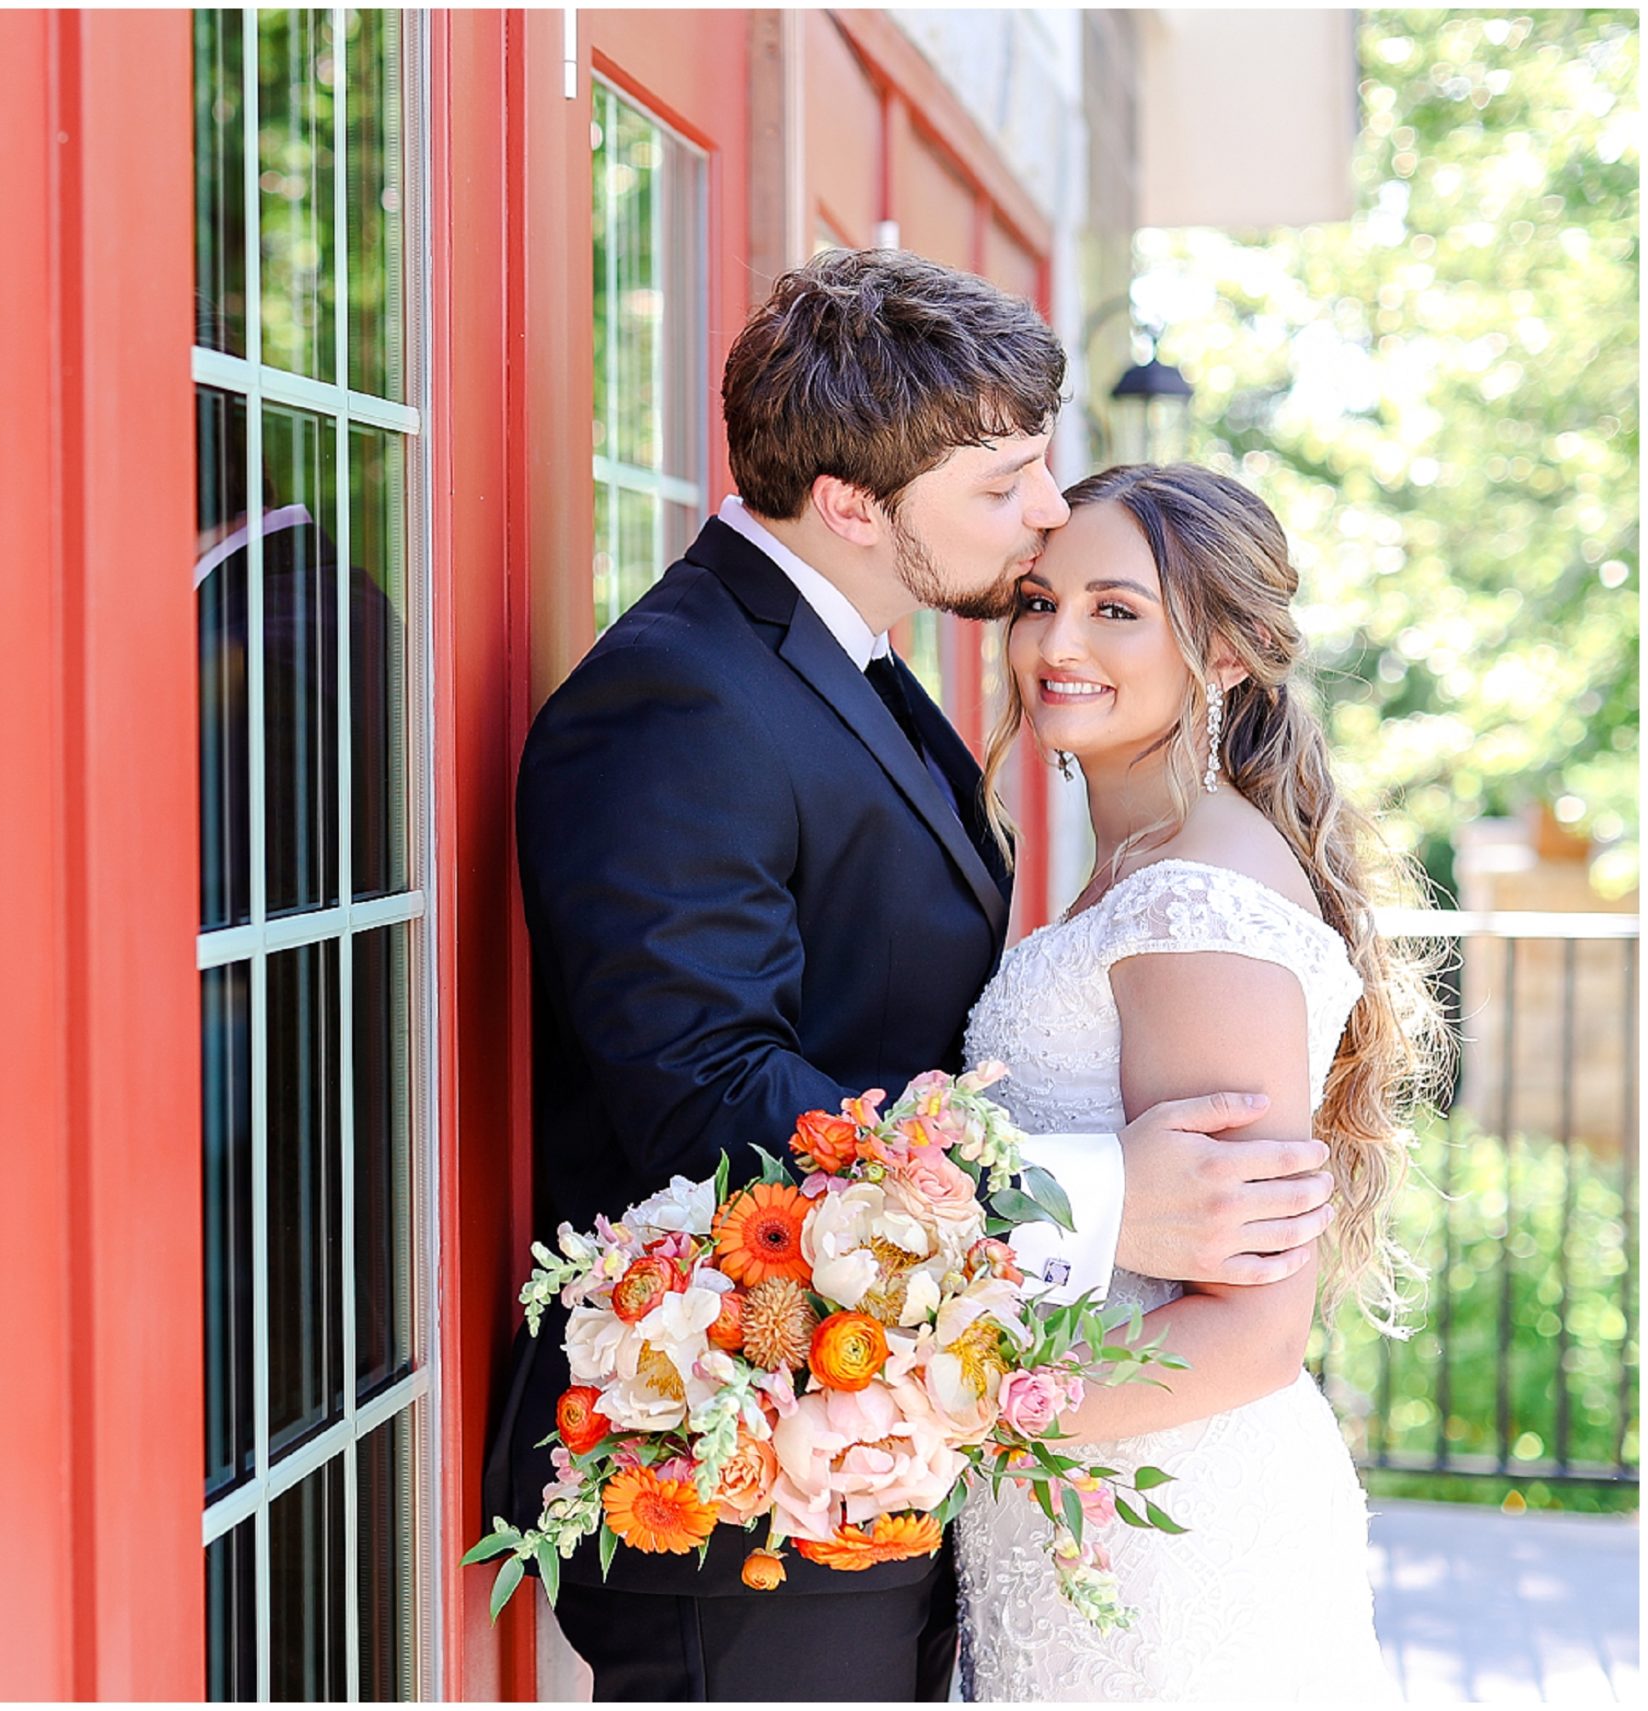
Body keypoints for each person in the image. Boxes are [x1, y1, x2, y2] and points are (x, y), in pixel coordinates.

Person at [488, 248, 1343, 1701]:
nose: (1045, 511)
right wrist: (1091, 1193)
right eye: (1004, 479)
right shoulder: (684, 698)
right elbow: (708, 1096)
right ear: (850, 504)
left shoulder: (854, 672)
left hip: (905, 1476)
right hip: (752, 1509)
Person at [952, 464, 1438, 1700]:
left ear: (1223, 653)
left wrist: (959, 1413)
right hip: (1091, 1498)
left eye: (1116, 609)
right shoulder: (1141, 863)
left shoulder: (1193, 900)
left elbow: (1250, 1332)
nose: (1056, 642)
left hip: (1167, 1532)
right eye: (1036, 599)